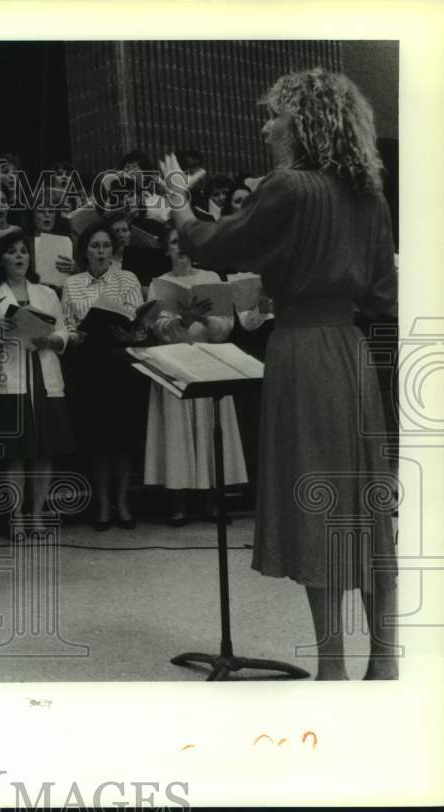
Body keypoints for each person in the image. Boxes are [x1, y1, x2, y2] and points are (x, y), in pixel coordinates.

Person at [160, 68, 398, 680]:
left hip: (301, 352)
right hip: (350, 354)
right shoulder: (368, 193)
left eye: (274, 116)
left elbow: (215, 246)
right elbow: (382, 294)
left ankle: (333, 667)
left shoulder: (289, 186)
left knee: (315, 505)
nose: (266, 127)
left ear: (303, 122)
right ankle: (384, 661)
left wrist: (180, 205)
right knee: (363, 506)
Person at [142, 225, 248, 525]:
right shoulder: (158, 284)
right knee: (176, 432)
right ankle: (178, 504)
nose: (182, 248)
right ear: (167, 249)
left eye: (187, 243)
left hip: (209, 360)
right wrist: (182, 320)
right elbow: (157, 330)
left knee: (211, 428)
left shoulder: (211, 279)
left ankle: (212, 503)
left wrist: (203, 318)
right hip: (174, 361)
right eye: (176, 243)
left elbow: (225, 328)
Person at [62, 218, 149, 530]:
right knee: (98, 439)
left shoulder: (127, 279)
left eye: (106, 246)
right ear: (85, 251)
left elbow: (138, 326)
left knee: (123, 438)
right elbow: (68, 325)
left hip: (121, 362)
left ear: (114, 250)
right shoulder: (72, 284)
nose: (101, 251)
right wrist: (76, 335)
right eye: (95, 246)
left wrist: (129, 331)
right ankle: (101, 504)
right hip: (89, 364)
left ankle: (123, 502)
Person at [0, 230, 74, 529]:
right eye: (12, 251)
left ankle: (37, 513)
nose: (20, 256)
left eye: (24, 251)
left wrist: (52, 340)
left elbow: (63, 330)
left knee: (45, 450)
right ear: (1, 259)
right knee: (15, 452)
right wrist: (1, 331)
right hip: (10, 373)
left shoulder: (46, 293)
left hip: (43, 371)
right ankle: (16, 517)